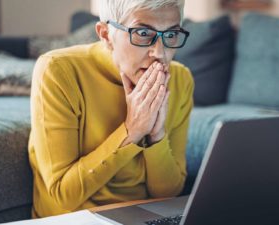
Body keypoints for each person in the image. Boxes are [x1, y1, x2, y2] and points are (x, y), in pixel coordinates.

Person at [28, 0, 193, 218]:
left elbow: (169, 193)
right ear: (105, 34)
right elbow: (63, 195)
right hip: (75, 218)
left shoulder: (180, 79)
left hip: (142, 218)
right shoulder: (57, 71)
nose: (160, 53)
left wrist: (156, 136)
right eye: (143, 32)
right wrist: (132, 130)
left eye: (171, 35)